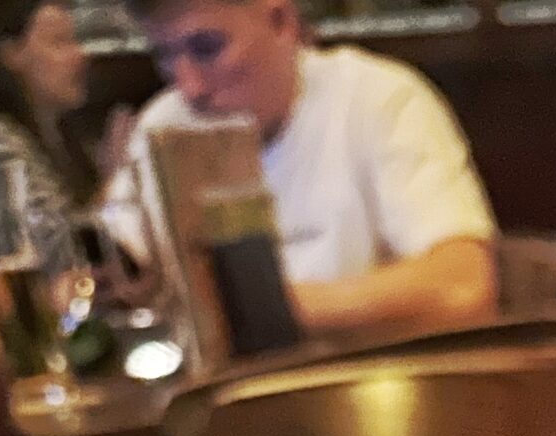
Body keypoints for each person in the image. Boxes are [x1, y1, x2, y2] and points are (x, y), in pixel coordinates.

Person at [102, 0, 497, 337]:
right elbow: (114, 273)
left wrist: (263, 311)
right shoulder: (163, 125)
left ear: (280, 22)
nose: (189, 88)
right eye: (166, 57)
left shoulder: (378, 99)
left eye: (207, 48)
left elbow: (462, 287)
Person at [0, 0, 107, 279]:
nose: (79, 55)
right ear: (12, 53)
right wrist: (114, 187)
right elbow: (40, 258)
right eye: (60, 42)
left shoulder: (66, 139)